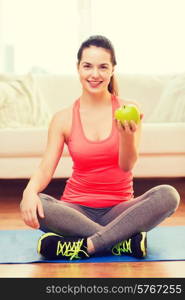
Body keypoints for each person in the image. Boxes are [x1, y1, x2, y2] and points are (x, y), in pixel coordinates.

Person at [20, 35, 180, 261]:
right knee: (41, 204)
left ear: (113, 69)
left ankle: (86, 244)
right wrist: (28, 193)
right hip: (76, 210)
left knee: (168, 195)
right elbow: (46, 169)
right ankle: (122, 242)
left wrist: (126, 136)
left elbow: (127, 166)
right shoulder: (63, 118)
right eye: (87, 66)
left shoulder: (129, 109)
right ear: (78, 68)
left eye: (103, 67)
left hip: (121, 210)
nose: (95, 74)